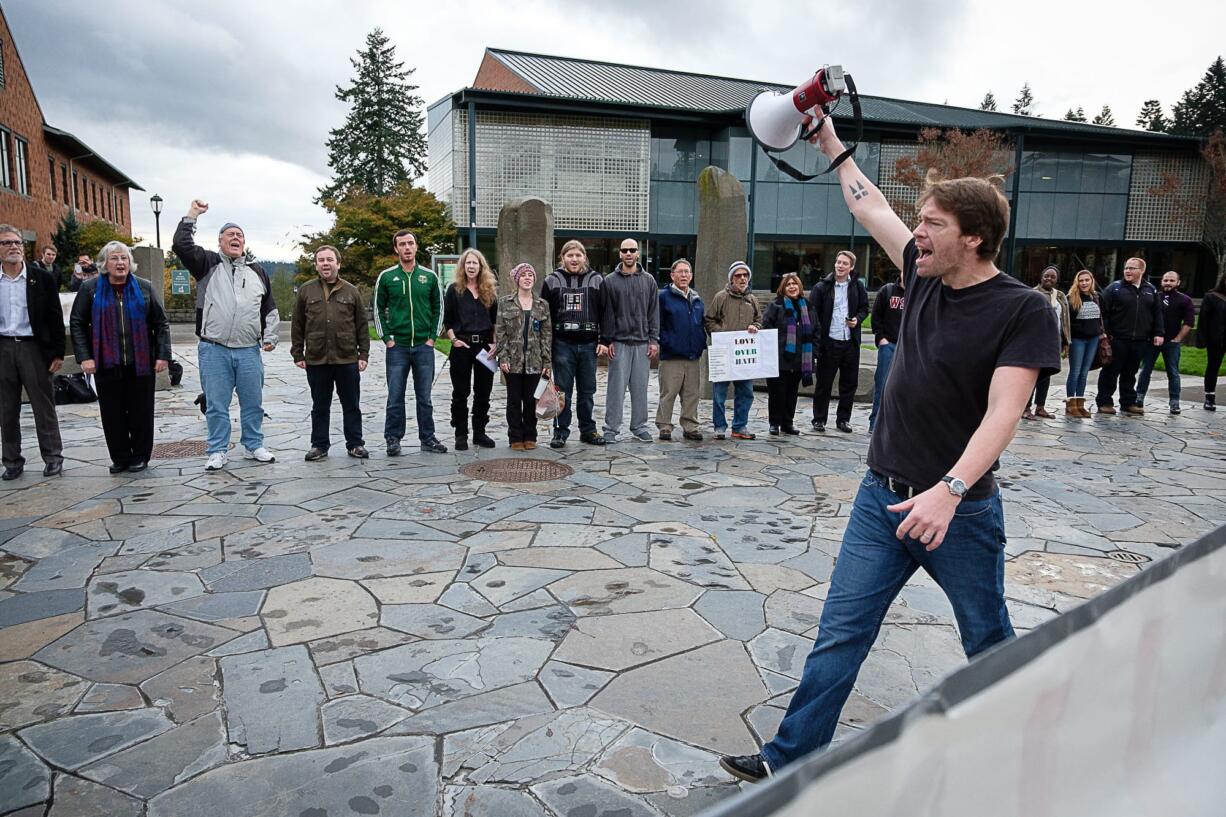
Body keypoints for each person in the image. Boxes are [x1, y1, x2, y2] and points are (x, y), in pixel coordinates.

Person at [718, 113, 1059, 784]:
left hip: (958, 514)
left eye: (932, 222)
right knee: (840, 633)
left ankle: (1032, 749)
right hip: (881, 500)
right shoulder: (924, 272)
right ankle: (786, 761)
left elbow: (1003, 414)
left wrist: (951, 489)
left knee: (988, 640)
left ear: (976, 238)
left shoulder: (1022, 310)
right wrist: (834, 149)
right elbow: (869, 202)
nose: (917, 232)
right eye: (920, 220)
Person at [173, 199, 279, 471]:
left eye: (240, 235)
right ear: (220, 241)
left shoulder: (257, 271)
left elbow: (269, 307)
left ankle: (253, 445)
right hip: (214, 349)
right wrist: (192, 215)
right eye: (230, 234)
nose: (236, 238)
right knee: (217, 404)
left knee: (253, 402)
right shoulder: (206, 263)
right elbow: (181, 246)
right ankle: (217, 450)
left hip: (248, 350)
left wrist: (270, 337)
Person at [69, 241, 171, 473]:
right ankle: (120, 456)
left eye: (124, 258)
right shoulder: (90, 289)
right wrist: (85, 357)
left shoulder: (144, 287)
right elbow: (77, 323)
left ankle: (140, 455)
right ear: (104, 263)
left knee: (141, 411)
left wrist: (163, 355)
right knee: (112, 412)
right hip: (105, 362)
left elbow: (160, 323)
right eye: (114, 258)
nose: (120, 263)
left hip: (141, 361)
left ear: (130, 263)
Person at [290, 245, 370, 461]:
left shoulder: (351, 291)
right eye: (321, 260)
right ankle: (319, 445)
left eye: (329, 260)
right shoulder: (306, 290)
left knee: (351, 405)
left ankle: (355, 444)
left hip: (347, 358)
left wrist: (363, 355)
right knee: (320, 406)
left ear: (338, 263)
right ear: (316, 265)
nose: (325, 263)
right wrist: (297, 353)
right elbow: (297, 323)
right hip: (317, 359)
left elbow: (362, 325)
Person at [0, 224, 65, 480]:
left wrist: (58, 353)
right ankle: (12, 461)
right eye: (7, 243)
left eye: (17, 242)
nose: (14, 246)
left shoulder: (41, 278)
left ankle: (52, 457)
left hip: (33, 348)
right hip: (3, 347)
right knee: (6, 408)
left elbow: (55, 317)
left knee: (43, 406)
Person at [375, 230, 446, 455]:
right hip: (398, 347)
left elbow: (439, 307)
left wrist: (433, 338)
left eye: (410, 243)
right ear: (396, 249)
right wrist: (387, 338)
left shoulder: (429, 276)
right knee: (395, 395)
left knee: (424, 397)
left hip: (424, 347)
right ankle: (393, 438)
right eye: (402, 244)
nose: (407, 248)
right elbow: (378, 308)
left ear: (416, 247)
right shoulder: (386, 277)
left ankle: (427, 437)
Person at [541, 240, 604, 448]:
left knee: (587, 391)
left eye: (578, 255)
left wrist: (604, 340)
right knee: (563, 391)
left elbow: (606, 313)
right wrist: (546, 346)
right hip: (562, 344)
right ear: (562, 258)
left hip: (588, 344)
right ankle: (560, 431)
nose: (574, 259)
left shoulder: (596, 280)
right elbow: (544, 316)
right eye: (570, 256)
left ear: (584, 257)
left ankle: (588, 430)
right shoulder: (551, 280)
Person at [598, 239, 659, 444]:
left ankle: (639, 426)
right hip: (620, 342)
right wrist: (608, 340)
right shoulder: (609, 281)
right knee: (616, 389)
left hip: (642, 343)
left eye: (632, 250)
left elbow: (653, 313)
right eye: (624, 250)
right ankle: (611, 428)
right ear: (620, 253)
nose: (629, 253)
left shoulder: (649, 280)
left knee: (640, 388)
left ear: (638, 253)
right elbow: (606, 314)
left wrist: (653, 339)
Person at [443, 248, 498, 451]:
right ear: (463, 266)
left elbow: (494, 322)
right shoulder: (454, 290)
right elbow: (447, 321)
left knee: (483, 392)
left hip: (485, 346)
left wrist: (495, 343)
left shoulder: (489, 290)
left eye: (475, 263)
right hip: (462, 346)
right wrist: (454, 339)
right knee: (461, 392)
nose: (471, 266)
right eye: (468, 263)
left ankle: (479, 432)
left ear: (481, 266)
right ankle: (460, 433)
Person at [1095, 257, 1163, 416]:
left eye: (1132, 268)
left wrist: (1159, 333)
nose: (1128, 271)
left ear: (1142, 271)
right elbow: (1102, 314)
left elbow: (1157, 314)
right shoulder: (1114, 289)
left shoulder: (1151, 290)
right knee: (1110, 372)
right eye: (1126, 268)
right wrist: (1105, 334)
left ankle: (1128, 403)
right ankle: (1104, 402)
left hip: (1140, 340)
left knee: (1130, 373)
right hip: (1117, 339)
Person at [810, 250, 869, 433]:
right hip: (830, 341)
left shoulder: (857, 286)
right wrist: (817, 341)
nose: (840, 266)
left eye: (844, 263)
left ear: (851, 267)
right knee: (824, 383)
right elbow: (813, 314)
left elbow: (864, 308)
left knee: (849, 383)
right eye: (838, 262)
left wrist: (857, 320)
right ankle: (819, 419)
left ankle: (843, 420)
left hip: (850, 342)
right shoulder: (822, 287)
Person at [495, 263, 551, 450]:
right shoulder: (505, 302)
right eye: (523, 275)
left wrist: (547, 361)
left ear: (534, 279)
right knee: (513, 401)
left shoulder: (542, 305)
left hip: (535, 361)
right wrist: (503, 357)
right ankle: (515, 437)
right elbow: (500, 332)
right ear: (517, 279)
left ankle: (530, 436)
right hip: (513, 361)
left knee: (530, 400)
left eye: (530, 275)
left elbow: (546, 334)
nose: (527, 278)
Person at [704, 261, 762, 441]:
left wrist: (755, 326)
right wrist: (721, 334)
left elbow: (759, 320)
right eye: (738, 275)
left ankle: (740, 426)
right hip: (724, 353)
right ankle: (719, 427)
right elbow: (709, 320)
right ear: (731, 278)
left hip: (744, 355)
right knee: (719, 393)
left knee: (746, 392)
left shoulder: (752, 299)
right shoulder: (720, 297)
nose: (742, 278)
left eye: (745, 275)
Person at [656, 259, 705, 441]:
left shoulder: (696, 298)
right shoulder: (664, 297)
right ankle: (664, 426)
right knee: (668, 393)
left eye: (687, 272)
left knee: (692, 394)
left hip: (693, 355)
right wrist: (666, 342)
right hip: (672, 355)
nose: (684, 275)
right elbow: (657, 323)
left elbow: (701, 324)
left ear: (691, 276)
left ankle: (690, 426)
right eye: (680, 272)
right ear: (672, 275)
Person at [1135, 270, 1195, 415]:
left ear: (1178, 283)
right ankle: (1139, 398)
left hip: (1171, 342)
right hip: (1151, 341)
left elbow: (1188, 322)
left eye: (1171, 280)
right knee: (1145, 370)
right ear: (1161, 282)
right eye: (1165, 280)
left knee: (1173, 372)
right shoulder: (1154, 297)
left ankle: (1174, 401)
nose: (1168, 283)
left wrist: (1178, 339)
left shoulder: (1185, 300)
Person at [761, 273, 813, 436]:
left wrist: (815, 351)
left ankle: (787, 423)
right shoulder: (775, 305)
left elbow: (816, 330)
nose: (792, 287)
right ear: (783, 287)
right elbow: (766, 327)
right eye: (788, 284)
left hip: (799, 359)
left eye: (795, 284)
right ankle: (774, 423)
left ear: (799, 287)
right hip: (779, 358)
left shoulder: (808, 306)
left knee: (791, 393)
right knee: (777, 393)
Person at [1022, 265, 1070, 420]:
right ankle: (1026, 408)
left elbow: (1065, 320)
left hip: (1053, 341)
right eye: (1046, 276)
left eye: (1052, 277)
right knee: (1033, 375)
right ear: (1041, 278)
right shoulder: (1032, 294)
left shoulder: (1061, 296)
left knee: (1047, 374)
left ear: (1057, 280)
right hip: (1036, 341)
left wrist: (1065, 340)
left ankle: (1040, 407)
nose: (1049, 279)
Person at [869, 270, 905, 432]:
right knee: (882, 384)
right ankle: (875, 423)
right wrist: (881, 339)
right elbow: (876, 316)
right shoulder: (887, 290)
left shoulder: (919, 293)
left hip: (909, 348)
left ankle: (897, 427)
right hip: (888, 344)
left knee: (906, 387)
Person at [1065, 270, 1104, 418]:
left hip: (1093, 339)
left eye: (1087, 280)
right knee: (1075, 372)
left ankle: (1080, 404)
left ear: (1091, 281)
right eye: (1081, 280)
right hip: (1078, 340)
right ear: (1077, 282)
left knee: (1084, 373)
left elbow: (1102, 317)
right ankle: (1070, 405)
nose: (1084, 283)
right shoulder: (1072, 298)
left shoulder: (1096, 297)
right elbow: (1068, 322)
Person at [1196, 272, 1226, 412]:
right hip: (1216, 340)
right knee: (1213, 368)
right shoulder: (1212, 297)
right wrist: (1202, 340)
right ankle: (1209, 398)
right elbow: (1203, 320)